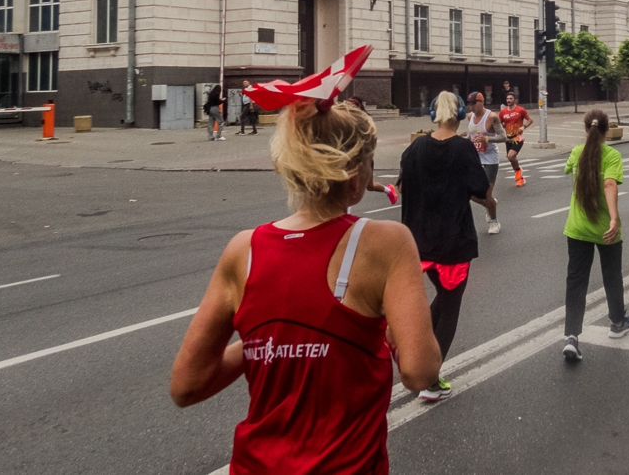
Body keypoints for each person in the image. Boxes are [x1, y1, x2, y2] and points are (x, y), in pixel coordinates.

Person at [169, 91, 441, 472]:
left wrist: (272, 342)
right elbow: (420, 372)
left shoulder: (243, 250)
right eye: (370, 162)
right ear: (355, 171)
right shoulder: (386, 242)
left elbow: (186, 386)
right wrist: (394, 336)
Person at [397, 90, 490, 400]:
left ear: (432, 113)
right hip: (453, 242)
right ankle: (430, 379)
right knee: (450, 309)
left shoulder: (414, 148)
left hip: (420, 244)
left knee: (443, 298)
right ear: (461, 115)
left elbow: (405, 188)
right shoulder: (463, 149)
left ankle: (415, 357)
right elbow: (479, 188)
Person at [562, 108, 629, 361]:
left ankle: (571, 336)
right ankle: (617, 323)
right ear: (607, 130)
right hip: (606, 228)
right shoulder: (613, 155)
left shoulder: (576, 153)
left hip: (577, 228)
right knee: (612, 276)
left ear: (585, 129)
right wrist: (614, 218)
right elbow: (609, 184)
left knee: (576, 281)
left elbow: (567, 169)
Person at [465, 91, 503, 234]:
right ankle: (489, 204)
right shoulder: (470, 117)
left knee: (486, 193)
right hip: (475, 157)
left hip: (490, 158)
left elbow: (503, 137)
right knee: (468, 191)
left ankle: (494, 221)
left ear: (481, 102)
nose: (471, 107)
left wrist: (486, 139)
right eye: (469, 104)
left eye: (473, 103)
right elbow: (470, 135)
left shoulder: (492, 117)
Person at [498, 91, 533, 187]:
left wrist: (524, 127)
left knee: (511, 156)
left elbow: (530, 120)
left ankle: (518, 171)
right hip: (508, 138)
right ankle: (520, 178)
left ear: (515, 100)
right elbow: (499, 125)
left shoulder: (520, 110)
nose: (508, 100)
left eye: (511, 99)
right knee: (511, 159)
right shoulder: (503, 112)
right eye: (507, 99)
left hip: (518, 137)